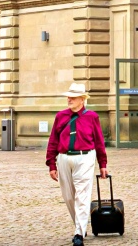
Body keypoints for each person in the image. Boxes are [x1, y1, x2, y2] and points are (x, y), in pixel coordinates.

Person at [44, 83, 107, 246]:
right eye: (68, 96)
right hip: (64, 158)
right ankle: (80, 223)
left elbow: (99, 141)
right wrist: (51, 163)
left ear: (82, 99)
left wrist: (103, 163)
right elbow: (53, 141)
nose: (69, 99)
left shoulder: (92, 117)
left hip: (85, 157)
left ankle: (79, 232)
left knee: (82, 195)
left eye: (73, 97)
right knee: (69, 197)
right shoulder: (60, 116)